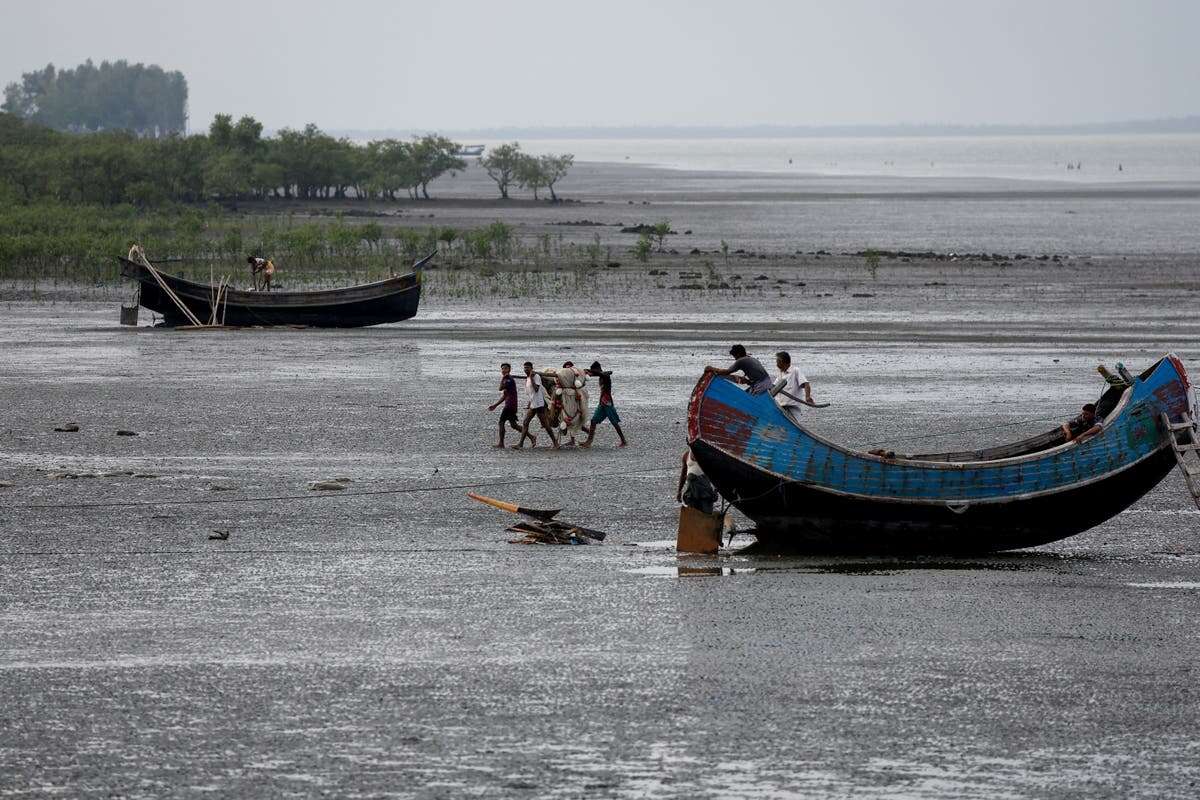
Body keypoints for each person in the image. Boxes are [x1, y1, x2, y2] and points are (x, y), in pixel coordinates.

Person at [580, 360, 628, 448]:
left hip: (607, 403)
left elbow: (602, 374)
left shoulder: (605, 376)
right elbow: (597, 374)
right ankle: (589, 441)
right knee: (593, 421)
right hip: (602, 403)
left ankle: (623, 441)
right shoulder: (601, 376)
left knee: (614, 422)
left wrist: (591, 372)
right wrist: (587, 372)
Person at [514, 362, 559, 449]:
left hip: (538, 404)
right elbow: (530, 393)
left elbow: (536, 389)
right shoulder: (527, 378)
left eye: (527, 368)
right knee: (526, 422)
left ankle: (555, 443)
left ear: (531, 368)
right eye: (524, 368)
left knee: (544, 424)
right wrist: (529, 402)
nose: (525, 369)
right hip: (534, 404)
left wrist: (531, 378)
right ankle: (521, 443)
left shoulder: (536, 377)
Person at [770, 351, 814, 426]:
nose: (776, 365)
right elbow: (773, 387)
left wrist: (808, 397)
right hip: (780, 407)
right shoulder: (781, 373)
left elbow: (806, 384)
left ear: (782, 362)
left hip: (792, 408)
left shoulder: (795, 371)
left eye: (777, 362)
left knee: (794, 425)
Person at [706, 344, 772, 394]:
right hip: (767, 382)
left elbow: (727, 372)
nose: (735, 358)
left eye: (734, 356)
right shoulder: (751, 358)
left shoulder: (741, 360)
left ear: (738, 354)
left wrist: (712, 368)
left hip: (761, 385)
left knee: (747, 400)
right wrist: (747, 381)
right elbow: (757, 375)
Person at [488, 362, 525, 448]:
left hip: (510, 405)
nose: (503, 370)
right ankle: (531, 437)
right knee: (514, 425)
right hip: (510, 404)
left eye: (505, 368)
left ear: (509, 370)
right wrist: (495, 405)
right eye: (502, 369)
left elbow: (500, 388)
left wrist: (503, 378)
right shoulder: (507, 379)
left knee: (501, 422)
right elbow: (505, 395)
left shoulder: (509, 380)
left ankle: (501, 443)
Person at [676, 448, 717, 514]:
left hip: (705, 491)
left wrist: (716, 490)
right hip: (691, 492)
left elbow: (715, 473)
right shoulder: (686, 455)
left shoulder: (707, 454)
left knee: (706, 514)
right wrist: (679, 491)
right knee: (692, 514)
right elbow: (683, 475)